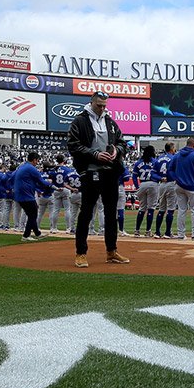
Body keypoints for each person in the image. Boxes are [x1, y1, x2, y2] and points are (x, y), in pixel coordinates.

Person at [66, 91, 131, 268]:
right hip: (90, 172)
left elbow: (122, 143)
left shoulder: (110, 121)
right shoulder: (80, 121)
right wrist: (95, 154)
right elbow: (73, 145)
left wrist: (117, 150)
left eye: (104, 105)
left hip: (110, 172)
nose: (102, 108)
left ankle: (111, 251)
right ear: (91, 103)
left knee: (111, 214)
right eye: (99, 105)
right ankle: (81, 253)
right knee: (86, 213)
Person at [169, 137, 194, 239]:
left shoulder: (177, 155)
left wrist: (176, 178)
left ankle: (181, 234)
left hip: (179, 185)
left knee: (181, 210)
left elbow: (169, 169)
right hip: (192, 186)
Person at [11, 151, 52, 241]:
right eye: (37, 160)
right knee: (33, 215)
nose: (37, 163)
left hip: (20, 194)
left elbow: (11, 177)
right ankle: (26, 236)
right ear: (34, 160)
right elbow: (41, 181)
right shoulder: (31, 168)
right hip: (26, 195)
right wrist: (50, 183)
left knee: (31, 214)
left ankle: (37, 233)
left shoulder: (21, 166)